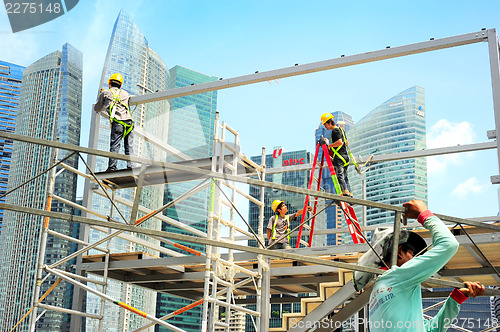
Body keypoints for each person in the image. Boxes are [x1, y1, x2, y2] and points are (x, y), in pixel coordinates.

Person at [368, 199, 485, 331]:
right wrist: (423, 213)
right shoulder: (398, 276)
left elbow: (430, 329)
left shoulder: (375, 294)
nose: (416, 259)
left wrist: (455, 299)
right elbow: (448, 244)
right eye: (412, 254)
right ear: (400, 252)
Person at [94, 73, 134, 172]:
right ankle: (132, 166)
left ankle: (112, 167)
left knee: (115, 146)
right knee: (129, 146)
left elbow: (97, 108)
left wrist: (100, 96)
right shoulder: (125, 93)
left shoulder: (106, 93)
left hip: (118, 122)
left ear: (109, 83)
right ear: (120, 85)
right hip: (129, 123)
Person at [321, 113, 352, 197]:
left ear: (329, 122)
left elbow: (340, 142)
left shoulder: (335, 131)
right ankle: (349, 192)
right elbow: (345, 143)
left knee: (340, 176)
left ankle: (345, 192)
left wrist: (329, 145)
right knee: (345, 177)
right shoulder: (341, 130)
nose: (325, 126)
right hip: (345, 157)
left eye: (325, 124)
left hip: (339, 158)